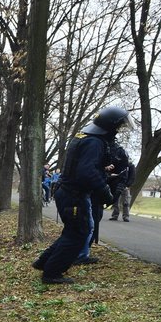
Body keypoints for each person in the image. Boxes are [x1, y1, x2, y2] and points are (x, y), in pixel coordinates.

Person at [32, 106, 132, 284]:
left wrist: (103, 173)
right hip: (74, 196)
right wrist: (106, 193)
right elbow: (86, 172)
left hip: (68, 193)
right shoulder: (95, 142)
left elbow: (85, 167)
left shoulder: (85, 138)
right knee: (79, 233)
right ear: (109, 126)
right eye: (117, 127)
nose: (117, 131)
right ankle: (52, 273)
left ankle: (44, 262)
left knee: (72, 231)